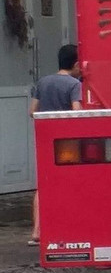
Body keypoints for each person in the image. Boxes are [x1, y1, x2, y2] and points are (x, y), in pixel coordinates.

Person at [28, 44, 84, 245]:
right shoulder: (74, 84)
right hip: (68, 142)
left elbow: (33, 111)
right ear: (76, 64)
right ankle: (68, 228)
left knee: (42, 185)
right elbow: (76, 111)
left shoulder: (42, 82)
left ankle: (37, 231)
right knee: (70, 184)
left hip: (44, 138)